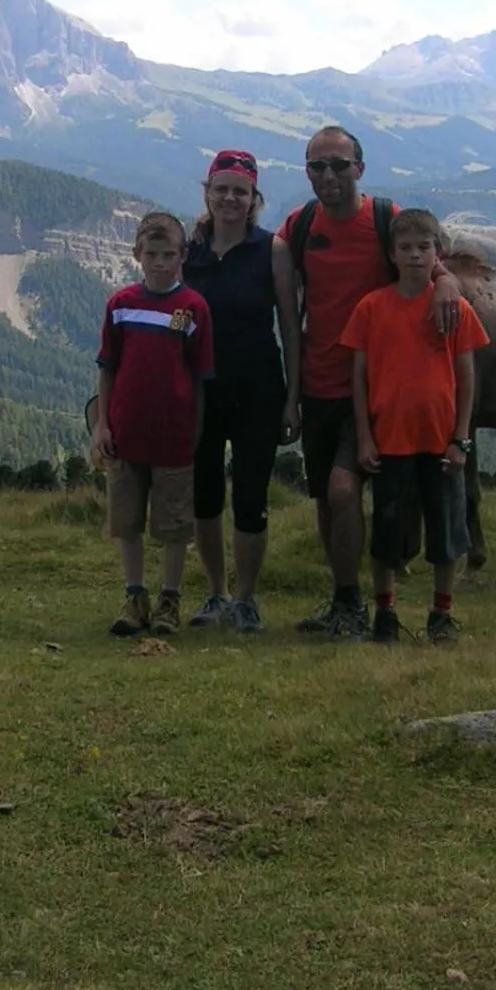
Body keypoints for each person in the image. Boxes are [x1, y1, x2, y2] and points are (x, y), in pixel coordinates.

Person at [276, 126, 462, 638]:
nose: (328, 176)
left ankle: (364, 603)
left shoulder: (386, 220)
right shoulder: (300, 225)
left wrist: (446, 282)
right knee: (327, 500)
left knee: (346, 493)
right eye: (317, 167)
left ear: (360, 168)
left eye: (339, 165)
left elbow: (429, 261)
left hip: (375, 389)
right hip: (319, 384)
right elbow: (287, 309)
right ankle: (348, 600)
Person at [345, 208, 490, 645]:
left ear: (437, 253)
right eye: (404, 248)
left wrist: (461, 438)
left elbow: (467, 377)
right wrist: (365, 435)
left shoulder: (455, 309)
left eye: (423, 248)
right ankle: (385, 613)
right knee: (387, 529)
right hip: (389, 440)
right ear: (391, 254)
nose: (413, 256)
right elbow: (359, 378)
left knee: (446, 531)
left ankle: (441, 614)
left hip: (441, 440)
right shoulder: (372, 308)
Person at [182, 149, 301, 633]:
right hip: (201, 390)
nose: (231, 198)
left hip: (258, 388)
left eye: (241, 191)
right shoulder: (189, 251)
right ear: (208, 193)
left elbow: (291, 327)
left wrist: (294, 397)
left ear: (254, 198)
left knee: (251, 496)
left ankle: (246, 598)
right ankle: (216, 592)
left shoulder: (272, 250)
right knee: (204, 494)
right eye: (222, 189)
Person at [92, 211, 215, 637]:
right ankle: (135, 594)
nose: (161, 263)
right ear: (137, 255)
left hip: (175, 435)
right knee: (126, 519)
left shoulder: (192, 308)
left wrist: (196, 429)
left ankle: (170, 598)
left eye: (169, 255)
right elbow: (107, 368)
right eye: (152, 254)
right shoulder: (121, 306)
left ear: (182, 255)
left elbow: (199, 374)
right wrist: (102, 425)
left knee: (175, 523)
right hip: (126, 433)